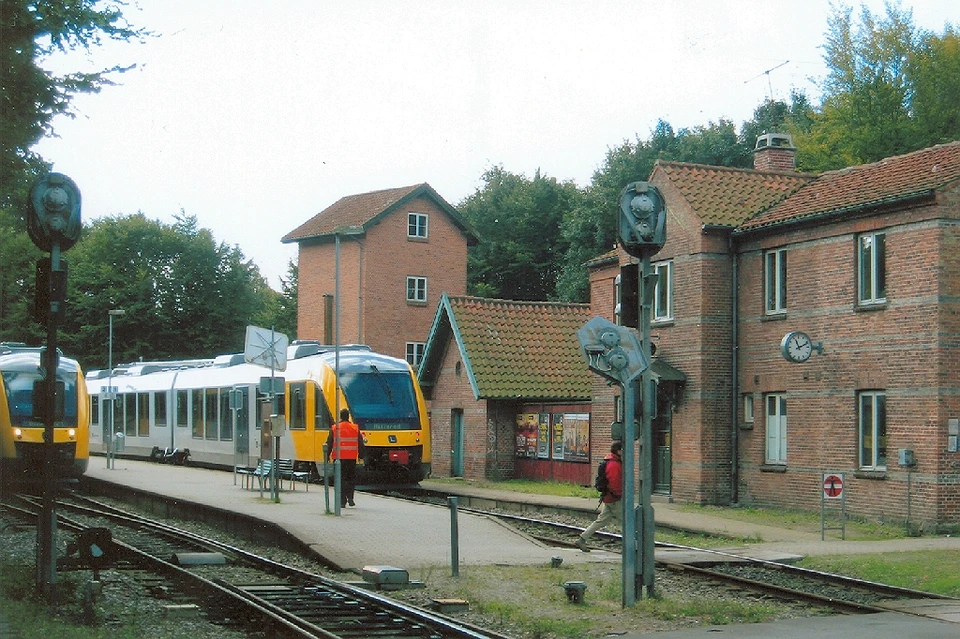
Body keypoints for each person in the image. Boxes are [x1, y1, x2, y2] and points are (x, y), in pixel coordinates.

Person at [576, 440, 623, 551]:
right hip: (615, 498)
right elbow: (615, 481)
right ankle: (632, 547)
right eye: (623, 450)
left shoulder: (611, 461)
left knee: (601, 521)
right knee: (628, 521)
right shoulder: (614, 464)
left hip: (609, 497)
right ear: (619, 451)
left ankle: (582, 539)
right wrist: (618, 495)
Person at [325, 408, 364, 507]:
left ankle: (342, 501)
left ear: (341, 417)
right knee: (350, 479)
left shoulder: (335, 428)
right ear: (348, 416)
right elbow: (360, 442)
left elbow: (329, 443)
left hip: (339, 458)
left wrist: (326, 455)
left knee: (340, 479)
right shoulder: (355, 428)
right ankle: (350, 498)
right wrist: (361, 455)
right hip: (351, 458)